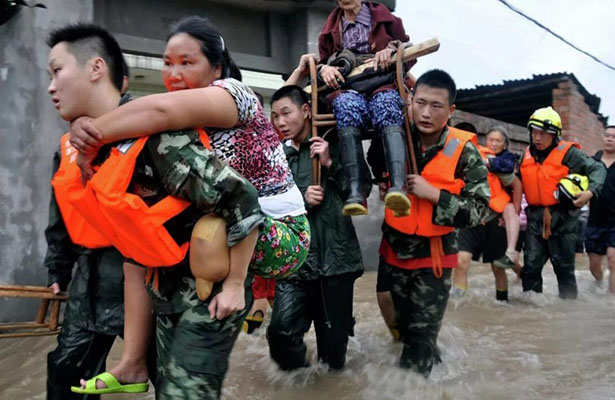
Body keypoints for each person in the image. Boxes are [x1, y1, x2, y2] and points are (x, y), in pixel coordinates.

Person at [65, 16, 310, 398]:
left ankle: (228, 289)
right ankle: (132, 362)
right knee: (137, 246)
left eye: (187, 62)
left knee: (207, 233)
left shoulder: (234, 95)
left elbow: (161, 110)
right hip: (228, 224)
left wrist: (92, 136)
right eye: (167, 63)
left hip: (281, 234)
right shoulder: (180, 124)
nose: (174, 73)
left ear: (216, 67)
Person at [44, 23, 155, 400]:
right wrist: (57, 270)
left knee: (173, 381)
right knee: (65, 373)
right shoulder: (66, 147)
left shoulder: (153, 131)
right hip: (86, 282)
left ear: (95, 69)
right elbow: (59, 215)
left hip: (148, 285)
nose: (51, 86)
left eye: (58, 71)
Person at [371, 69, 490, 376]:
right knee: (399, 327)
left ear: (451, 110)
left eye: (436, 106)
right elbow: (373, 164)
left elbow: (479, 211)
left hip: (433, 256)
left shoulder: (465, 151)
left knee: (419, 347)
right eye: (420, 103)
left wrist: (435, 195)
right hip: (393, 249)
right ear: (410, 101)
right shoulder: (394, 135)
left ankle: (421, 380)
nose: (425, 113)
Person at [267, 84, 367, 370]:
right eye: (275, 116)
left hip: (336, 262)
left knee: (333, 354)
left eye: (286, 113)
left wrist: (331, 162)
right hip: (294, 264)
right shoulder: (278, 157)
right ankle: (300, 377)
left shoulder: (338, 145)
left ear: (306, 110)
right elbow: (267, 204)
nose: (280, 122)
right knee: (280, 333)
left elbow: (363, 190)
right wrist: (302, 197)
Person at [317, 0, 411, 216]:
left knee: (387, 105)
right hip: (350, 89)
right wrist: (325, 69)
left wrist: (391, 49)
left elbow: (407, 48)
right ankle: (356, 191)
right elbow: (322, 61)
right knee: (345, 106)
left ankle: (398, 186)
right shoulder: (331, 28)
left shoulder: (385, 19)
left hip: (382, 83)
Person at [519, 106, 606, 299]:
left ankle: (568, 309)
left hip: (563, 218)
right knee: (531, 267)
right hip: (534, 217)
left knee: (564, 270)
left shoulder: (569, 154)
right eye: (534, 132)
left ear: (554, 135)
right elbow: (516, 183)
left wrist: (589, 193)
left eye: (543, 134)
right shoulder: (525, 156)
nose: (538, 138)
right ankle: (532, 312)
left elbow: (597, 170)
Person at [452, 126, 522, 301]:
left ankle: (503, 301)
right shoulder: (469, 157)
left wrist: (516, 207)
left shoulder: (504, 163)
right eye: (491, 140)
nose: (494, 143)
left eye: (498, 141)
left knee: (498, 267)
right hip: (472, 217)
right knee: (461, 261)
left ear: (505, 144)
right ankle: (458, 303)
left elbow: (517, 184)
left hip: (495, 220)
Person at [584, 125, 615, 293]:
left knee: (613, 261)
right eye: (608, 135)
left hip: (614, 223)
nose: (610, 139)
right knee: (594, 266)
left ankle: (611, 302)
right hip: (595, 220)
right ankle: (599, 280)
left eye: (614, 137)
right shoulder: (592, 162)